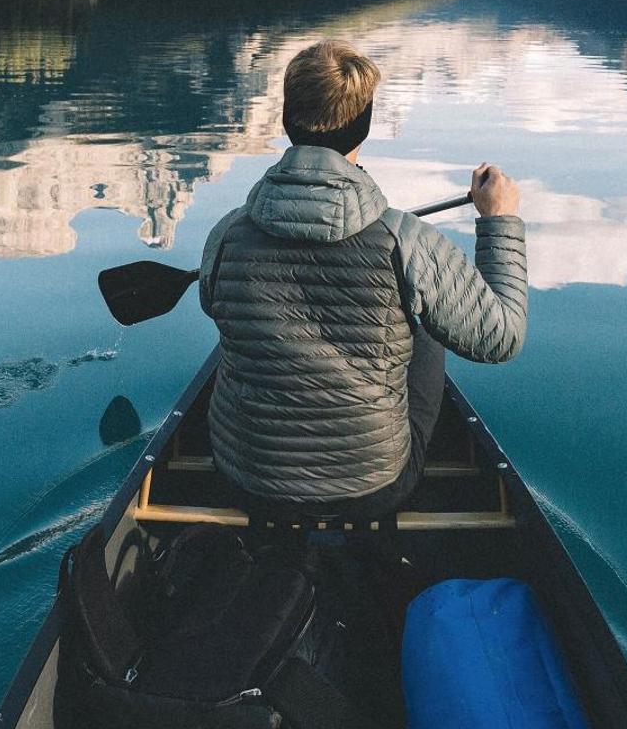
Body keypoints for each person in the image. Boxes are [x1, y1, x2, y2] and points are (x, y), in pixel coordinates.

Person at [198, 39, 526, 517]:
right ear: (365, 125)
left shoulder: (226, 234)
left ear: (287, 119)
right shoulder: (406, 241)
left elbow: (212, 305)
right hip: (373, 486)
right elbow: (502, 337)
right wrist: (498, 221)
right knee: (425, 326)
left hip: (244, 477)